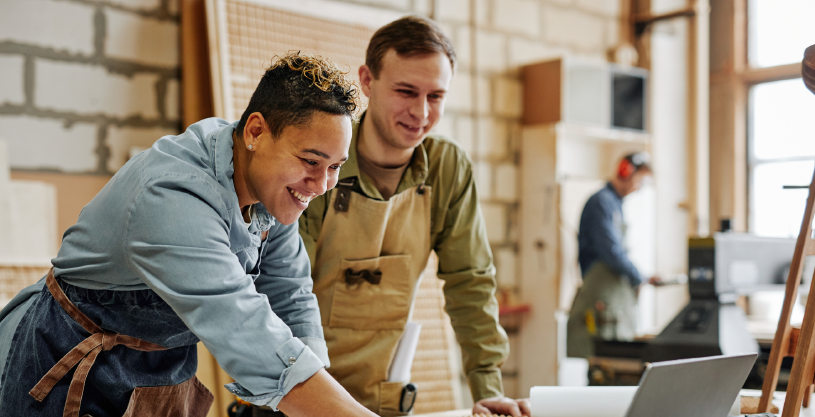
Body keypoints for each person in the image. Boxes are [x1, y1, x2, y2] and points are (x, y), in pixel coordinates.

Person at [0, 52, 378, 417]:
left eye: (335, 167)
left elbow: (289, 293)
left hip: (161, 374)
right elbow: (243, 326)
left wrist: (317, 391)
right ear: (256, 131)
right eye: (311, 161)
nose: (322, 184)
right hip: (71, 370)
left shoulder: (271, 189)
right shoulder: (173, 196)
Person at [298, 15, 530, 417]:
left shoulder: (447, 169)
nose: (421, 112)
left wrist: (487, 387)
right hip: (297, 396)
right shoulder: (320, 158)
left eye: (436, 96)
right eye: (406, 91)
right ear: (367, 81)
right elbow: (284, 290)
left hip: (382, 402)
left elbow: (470, 283)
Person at [566, 152, 659, 359]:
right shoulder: (602, 202)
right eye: (640, 180)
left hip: (611, 300)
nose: (639, 187)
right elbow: (611, 251)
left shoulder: (615, 205)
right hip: (600, 298)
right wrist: (638, 277)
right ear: (626, 172)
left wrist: (643, 277)